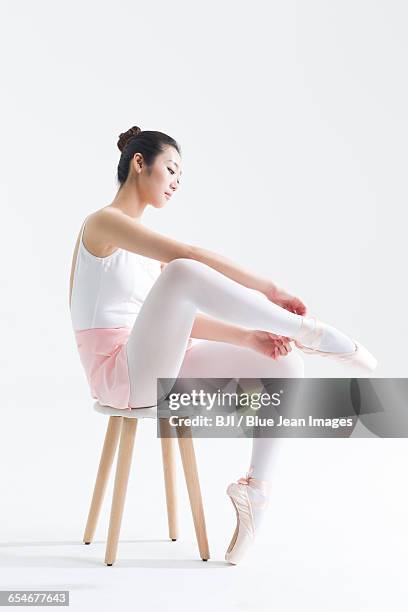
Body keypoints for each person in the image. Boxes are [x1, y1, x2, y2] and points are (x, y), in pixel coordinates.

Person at [69, 126, 377, 565]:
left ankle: (256, 493)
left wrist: (249, 337)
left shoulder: (140, 249)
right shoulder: (103, 224)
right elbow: (188, 258)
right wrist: (270, 289)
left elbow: (176, 323)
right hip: (118, 375)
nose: (176, 182)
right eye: (171, 169)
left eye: (180, 175)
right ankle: (310, 331)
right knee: (182, 272)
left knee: (285, 365)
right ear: (140, 163)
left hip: (151, 364)